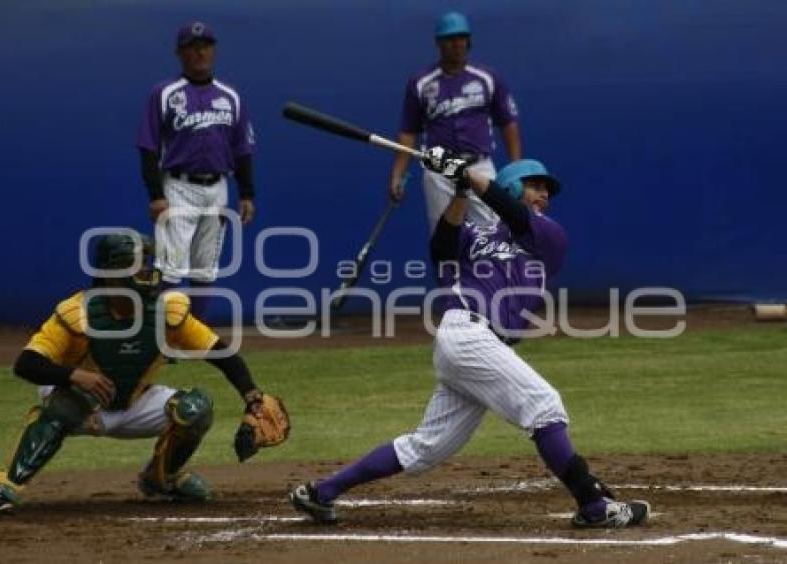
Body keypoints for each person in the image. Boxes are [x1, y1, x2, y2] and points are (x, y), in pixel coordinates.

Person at [290, 150, 651, 529]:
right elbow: (442, 247)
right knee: (544, 407)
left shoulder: (548, 236)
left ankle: (320, 492)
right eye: (534, 186)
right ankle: (594, 507)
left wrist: (469, 174)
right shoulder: (476, 235)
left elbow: (510, 211)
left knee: (425, 449)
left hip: (479, 345)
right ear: (513, 186)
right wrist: (461, 189)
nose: (544, 194)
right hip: (466, 333)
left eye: (547, 189)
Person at [0, 233, 271, 514]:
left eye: (147, 263)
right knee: (66, 405)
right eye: (136, 264)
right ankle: (8, 484)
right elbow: (26, 364)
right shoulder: (78, 314)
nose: (146, 271)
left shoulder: (167, 312)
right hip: (83, 405)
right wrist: (75, 376)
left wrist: (252, 395)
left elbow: (222, 354)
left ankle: (162, 479)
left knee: (196, 408)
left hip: (134, 403)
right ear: (111, 274)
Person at [137, 21, 256, 319]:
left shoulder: (231, 96)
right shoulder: (165, 93)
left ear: (214, 51)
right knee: (170, 266)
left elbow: (242, 148)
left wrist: (247, 193)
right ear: (180, 53)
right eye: (193, 47)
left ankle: (193, 334)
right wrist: (155, 194)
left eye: (206, 46)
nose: (201, 52)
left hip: (218, 187)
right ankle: (161, 335)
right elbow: (148, 146)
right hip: (177, 186)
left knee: (206, 266)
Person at [388, 11, 523, 231]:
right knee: (444, 237)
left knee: (491, 233)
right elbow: (408, 131)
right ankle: (448, 267)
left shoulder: (487, 78)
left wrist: (517, 170)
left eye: (461, 38)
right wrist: (397, 173)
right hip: (440, 165)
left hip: (478, 165)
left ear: (469, 41)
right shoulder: (421, 82)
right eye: (450, 39)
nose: (457, 44)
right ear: (438, 43)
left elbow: (508, 123)